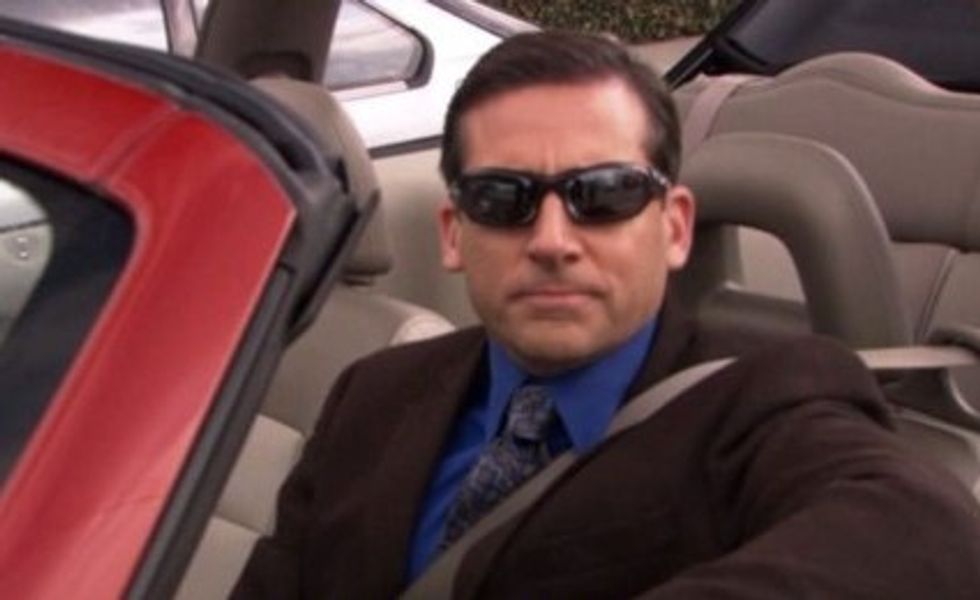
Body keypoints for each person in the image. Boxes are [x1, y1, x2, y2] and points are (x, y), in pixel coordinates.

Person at [233, 31, 980, 598]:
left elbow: (924, 530)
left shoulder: (762, 404)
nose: (553, 241)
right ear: (455, 235)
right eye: (503, 199)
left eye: (605, 194)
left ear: (675, 227)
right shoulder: (373, 391)